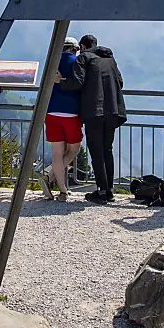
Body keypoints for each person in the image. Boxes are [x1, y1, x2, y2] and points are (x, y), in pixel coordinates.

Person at [62, 34, 126, 204]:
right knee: (107, 149)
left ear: (82, 46)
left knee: (96, 151)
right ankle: (110, 190)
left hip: (94, 111)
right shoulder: (110, 59)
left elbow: (77, 82)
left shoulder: (84, 58)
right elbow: (120, 82)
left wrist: (59, 82)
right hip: (113, 110)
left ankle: (102, 191)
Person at [42, 36, 83, 202]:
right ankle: (48, 174)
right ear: (74, 48)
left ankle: (62, 190)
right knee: (73, 150)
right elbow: (81, 83)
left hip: (51, 112)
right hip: (71, 112)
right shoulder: (78, 62)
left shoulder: (52, 62)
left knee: (57, 153)